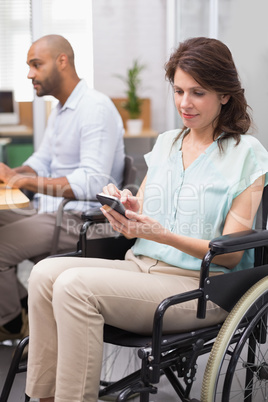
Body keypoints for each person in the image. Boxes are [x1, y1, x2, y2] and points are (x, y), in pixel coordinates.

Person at [26, 37, 268, 402]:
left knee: (75, 286)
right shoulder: (168, 143)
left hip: (200, 287)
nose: (185, 103)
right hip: (140, 268)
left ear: (224, 95)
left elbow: (229, 255)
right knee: (44, 274)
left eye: (198, 93)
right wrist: (125, 205)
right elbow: (143, 207)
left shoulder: (246, 155)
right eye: (179, 90)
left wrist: (163, 234)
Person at [0, 34, 125, 342]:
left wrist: (22, 181)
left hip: (81, 222)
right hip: (50, 212)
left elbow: (93, 182)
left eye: (35, 65)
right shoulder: (61, 109)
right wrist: (10, 174)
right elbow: (42, 161)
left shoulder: (95, 108)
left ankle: (12, 322)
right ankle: (22, 309)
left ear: (62, 61)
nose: (30, 74)